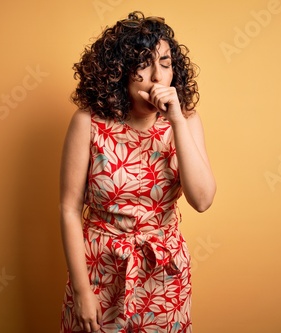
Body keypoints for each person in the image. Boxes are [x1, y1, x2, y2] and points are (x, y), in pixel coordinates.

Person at [59, 11, 216, 333]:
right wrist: (81, 290)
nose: (158, 77)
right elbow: (69, 208)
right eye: (143, 64)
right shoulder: (88, 123)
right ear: (118, 70)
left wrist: (177, 122)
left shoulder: (186, 122)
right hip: (100, 268)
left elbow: (202, 200)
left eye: (165, 62)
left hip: (164, 270)